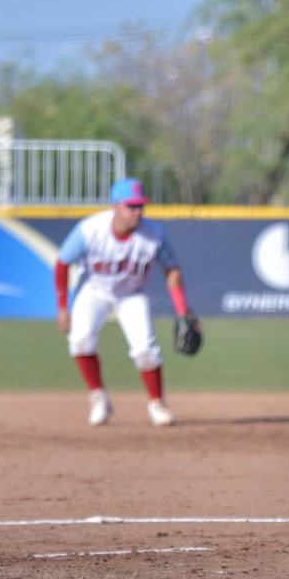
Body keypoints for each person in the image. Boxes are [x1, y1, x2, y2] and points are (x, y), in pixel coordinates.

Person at [54, 177, 198, 427]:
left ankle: (157, 404)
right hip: (95, 290)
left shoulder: (154, 234)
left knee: (145, 350)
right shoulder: (90, 230)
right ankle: (99, 398)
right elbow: (62, 264)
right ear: (115, 206)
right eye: (131, 206)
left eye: (141, 205)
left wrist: (182, 311)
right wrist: (63, 308)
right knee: (80, 340)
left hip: (133, 294)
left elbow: (172, 269)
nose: (138, 211)